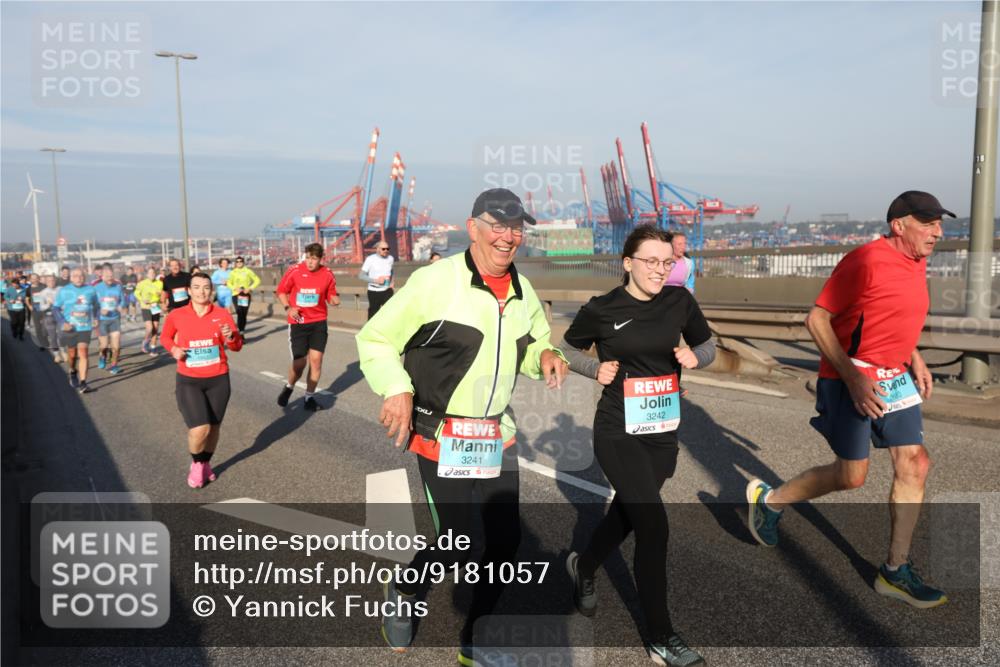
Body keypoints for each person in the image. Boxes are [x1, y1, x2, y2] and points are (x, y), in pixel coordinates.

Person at [356, 188, 568, 664]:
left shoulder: (522, 288)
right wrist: (396, 387)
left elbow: (531, 343)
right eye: (498, 224)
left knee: (505, 542)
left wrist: (547, 356)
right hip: (440, 434)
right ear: (473, 228)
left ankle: (476, 639)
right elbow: (376, 338)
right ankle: (406, 589)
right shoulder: (437, 281)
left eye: (516, 227)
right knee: (458, 542)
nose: (508, 236)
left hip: (495, 434)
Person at [747, 191, 955, 609]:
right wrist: (854, 378)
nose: (938, 231)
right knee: (851, 476)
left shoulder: (918, 260)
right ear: (899, 225)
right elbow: (816, 319)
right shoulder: (865, 261)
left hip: (894, 377)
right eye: (928, 223)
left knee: (915, 462)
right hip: (850, 376)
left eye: (939, 223)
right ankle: (769, 501)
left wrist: (913, 358)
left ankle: (895, 571)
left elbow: (892, 315)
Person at [561, 225, 714, 667]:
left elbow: (708, 345)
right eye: (650, 261)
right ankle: (662, 637)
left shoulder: (679, 300)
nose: (659, 270)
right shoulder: (602, 308)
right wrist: (594, 368)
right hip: (617, 430)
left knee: (628, 512)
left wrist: (694, 358)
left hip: (663, 430)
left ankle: (584, 566)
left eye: (667, 263)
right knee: (653, 525)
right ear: (627, 263)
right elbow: (566, 349)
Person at [160, 273, 243, 488]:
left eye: (206, 287)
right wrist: (174, 349)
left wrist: (231, 336)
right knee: (200, 429)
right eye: (196, 287)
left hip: (218, 378)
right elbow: (165, 337)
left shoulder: (222, 314)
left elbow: (236, 345)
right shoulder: (177, 314)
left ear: (211, 290)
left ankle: (206, 463)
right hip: (189, 380)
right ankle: (196, 464)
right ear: (188, 290)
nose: (201, 292)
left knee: (214, 427)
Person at [275, 243, 340, 411]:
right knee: (300, 364)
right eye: (308, 258)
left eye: (314, 259)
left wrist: (334, 300)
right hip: (299, 323)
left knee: (316, 362)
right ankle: (289, 386)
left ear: (320, 259)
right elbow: (281, 291)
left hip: (318, 322)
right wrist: (288, 308)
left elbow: (331, 293)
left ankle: (309, 398)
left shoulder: (327, 274)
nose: (310, 262)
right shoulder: (295, 270)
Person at [53, 267, 100, 393]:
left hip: (85, 327)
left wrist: (96, 317)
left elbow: (96, 305)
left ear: (84, 277)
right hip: (71, 328)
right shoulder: (64, 290)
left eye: (81, 276)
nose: (78, 278)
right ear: (70, 277)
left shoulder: (90, 289)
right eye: (75, 276)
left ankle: (83, 383)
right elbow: (56, 308)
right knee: (72, 355)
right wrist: (63, 322)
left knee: (83, 352)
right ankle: (72, 371)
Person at [94, 264, 126, 374]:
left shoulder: (118, 286)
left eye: (111, 276)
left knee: (116, 346)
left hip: (115, 319)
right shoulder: (97, 288)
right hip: (102, 320)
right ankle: (102, 357)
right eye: (107, 276)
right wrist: (99, 311)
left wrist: (121, 306)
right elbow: (92, 304)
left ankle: (114, 366)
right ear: (102, 277)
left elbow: (123, 300)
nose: (109, 278)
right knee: (104, 345)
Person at [359, 242, 395, 319]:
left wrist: (392, 282)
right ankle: (370, 330)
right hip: (374, 292)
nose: (386, 250)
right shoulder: (370, 259)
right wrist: (376, 281)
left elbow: (391, 270)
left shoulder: (391, 258)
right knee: (373, 316)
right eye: (383, 249)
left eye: (387, 249)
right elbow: (361, 276)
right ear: (377, 249)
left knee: (390, 314)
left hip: (387, 290)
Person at [226, 256, 261, 335]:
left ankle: (242, 331)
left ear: (243, 262)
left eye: (240, 261)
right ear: (235, 263)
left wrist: (250, 288)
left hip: (245, 295)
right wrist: (235, 288)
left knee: (244, 314)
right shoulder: (233, 272)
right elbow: (228, 283)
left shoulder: (248, 271)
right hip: (236, 295)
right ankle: (240, 332)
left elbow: (257, 280)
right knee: (239, 312)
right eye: (237, 261)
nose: (239, 263)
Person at [32, 275, 62, 361]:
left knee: (62, 335)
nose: (51, 282)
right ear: (46, 282)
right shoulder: (42, 292)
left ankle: (63, 351)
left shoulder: (61, 289)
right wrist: (48, 304)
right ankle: (57, 355)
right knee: (53, 336)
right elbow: (40, 307)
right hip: (49, 316)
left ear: (55, 280)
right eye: (49, 281)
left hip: (61, 315)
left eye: (52, 280)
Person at [136, 267, 164, 355]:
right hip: (146, 307)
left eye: (153, 273)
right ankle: (145, 342)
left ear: (155, 274)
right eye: (150, 273)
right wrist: (142, 299)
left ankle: (153, 349)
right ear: (147, 274)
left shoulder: (160, 283)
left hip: (155, 307)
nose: (152, 274)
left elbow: (160, 294)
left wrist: (159, 297)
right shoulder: (142, 283)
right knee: (149, 328)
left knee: (155, 329)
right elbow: (136, 293)